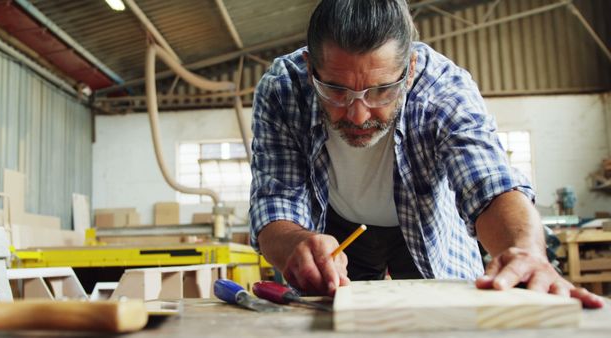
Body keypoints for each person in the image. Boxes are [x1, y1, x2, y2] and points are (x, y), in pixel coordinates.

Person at [248, 0, 603, 308]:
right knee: (333, 316)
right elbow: (276, 200)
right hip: (334, 232)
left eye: (382, 91)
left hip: (424, 225)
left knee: (444, 316)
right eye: (336, 91)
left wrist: (525, 250)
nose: (358, 114)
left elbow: (488, 183)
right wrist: (297, 244)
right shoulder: (284, 88)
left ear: (411, 70)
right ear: (311, 69)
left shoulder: (444, 87)